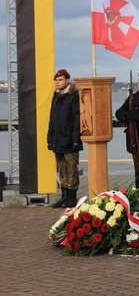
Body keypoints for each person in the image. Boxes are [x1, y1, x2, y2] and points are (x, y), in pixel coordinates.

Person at [47, 69, 83, 208]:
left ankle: (72, 197)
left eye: (60, 79)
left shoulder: (73, 96)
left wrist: (75, 139)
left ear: (67, 80)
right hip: (57, 139)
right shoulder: (56, 96)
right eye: (56, 80)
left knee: (71, 168)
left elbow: (76, 119)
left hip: (69, 139)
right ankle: (64, 195)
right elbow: (52, 119)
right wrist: (49, 138)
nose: (57, 82)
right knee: (62, 168)